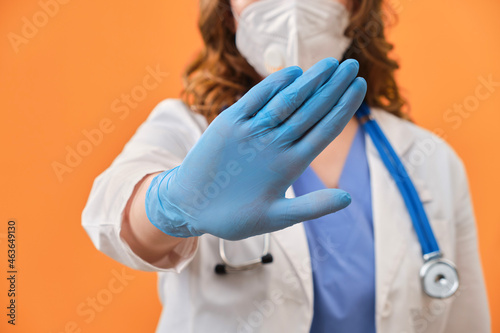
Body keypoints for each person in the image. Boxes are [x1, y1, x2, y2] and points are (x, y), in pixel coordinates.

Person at [82, 0, 491, 332]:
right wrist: (171, 203)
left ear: (355, 8)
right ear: (227, 10)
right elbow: (110, 214)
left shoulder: (429, 159)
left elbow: (466, 319)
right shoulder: (190, 131)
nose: (292, 8)